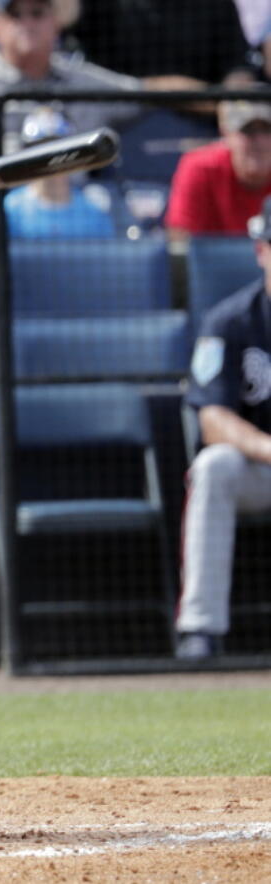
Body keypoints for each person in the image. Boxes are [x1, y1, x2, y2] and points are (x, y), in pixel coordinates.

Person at [176, 195, 271, 660]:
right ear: (262, 250)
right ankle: (202, 629)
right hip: (259, 469)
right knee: (214, 466)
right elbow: (211, 418)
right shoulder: (230, 321)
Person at [0, 0, 141, 172]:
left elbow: (146, 93)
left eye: (37, 13)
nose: (27, 24)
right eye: (15, 15)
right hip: (0, 213)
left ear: (56, 22)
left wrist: (176, 88)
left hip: (77, 214)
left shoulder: (84, 80)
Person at [65, 0, 255, 90]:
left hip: (201, 126)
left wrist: (226, 105)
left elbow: (238, 71)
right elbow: (58, 16)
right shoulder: (102, 7)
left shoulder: (214, 5)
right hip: (116, 121)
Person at [165, 97, 271, 240]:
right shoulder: (199, 167)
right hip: (213, 263)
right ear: (226, 133)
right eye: (248, 131)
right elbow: (179, 241)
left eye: (267, 130)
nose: (260, 141)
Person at [2, 106, 115, 238]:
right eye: (40, 149)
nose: (51, 158)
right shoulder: (10, 210)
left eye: (59, 149)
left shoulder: (93, 212)